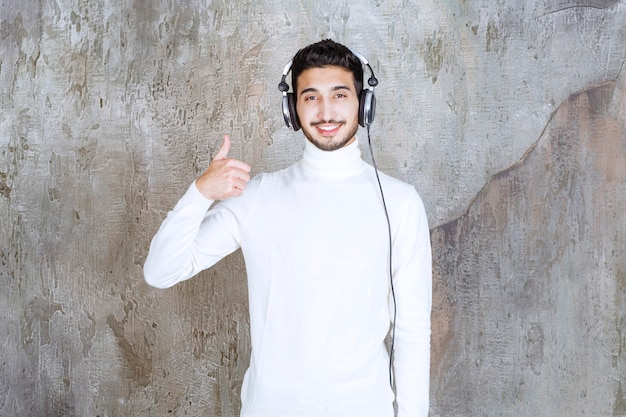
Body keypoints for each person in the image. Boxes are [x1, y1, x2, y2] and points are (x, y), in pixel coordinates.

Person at [144, 39, 432, 417]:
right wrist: (199, 193)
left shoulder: (400, 203)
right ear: (291, 110)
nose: (326, 112)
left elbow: (411, 333)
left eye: (340, 95)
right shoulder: (256, 197)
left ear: (363, 104)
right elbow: (160, 272)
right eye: (310, 97)